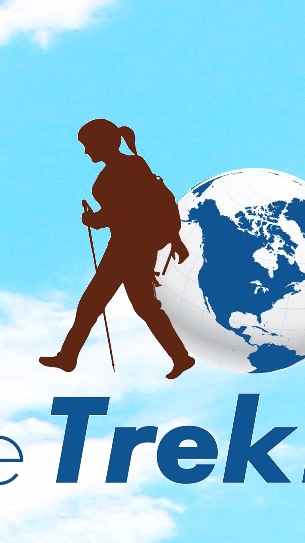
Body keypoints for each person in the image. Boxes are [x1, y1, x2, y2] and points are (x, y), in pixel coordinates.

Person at [43, 118, 196, 377]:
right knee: (138, 306)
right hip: (129, 245)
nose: (86, 151)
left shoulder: (128, 168)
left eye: (88, 145)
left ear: (102, 143)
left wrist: (94, 220)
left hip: (130, 247)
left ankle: (68, 357)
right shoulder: (128, 168)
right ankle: (181, 358)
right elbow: (127, 210)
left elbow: (129, 210)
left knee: (97, 303)